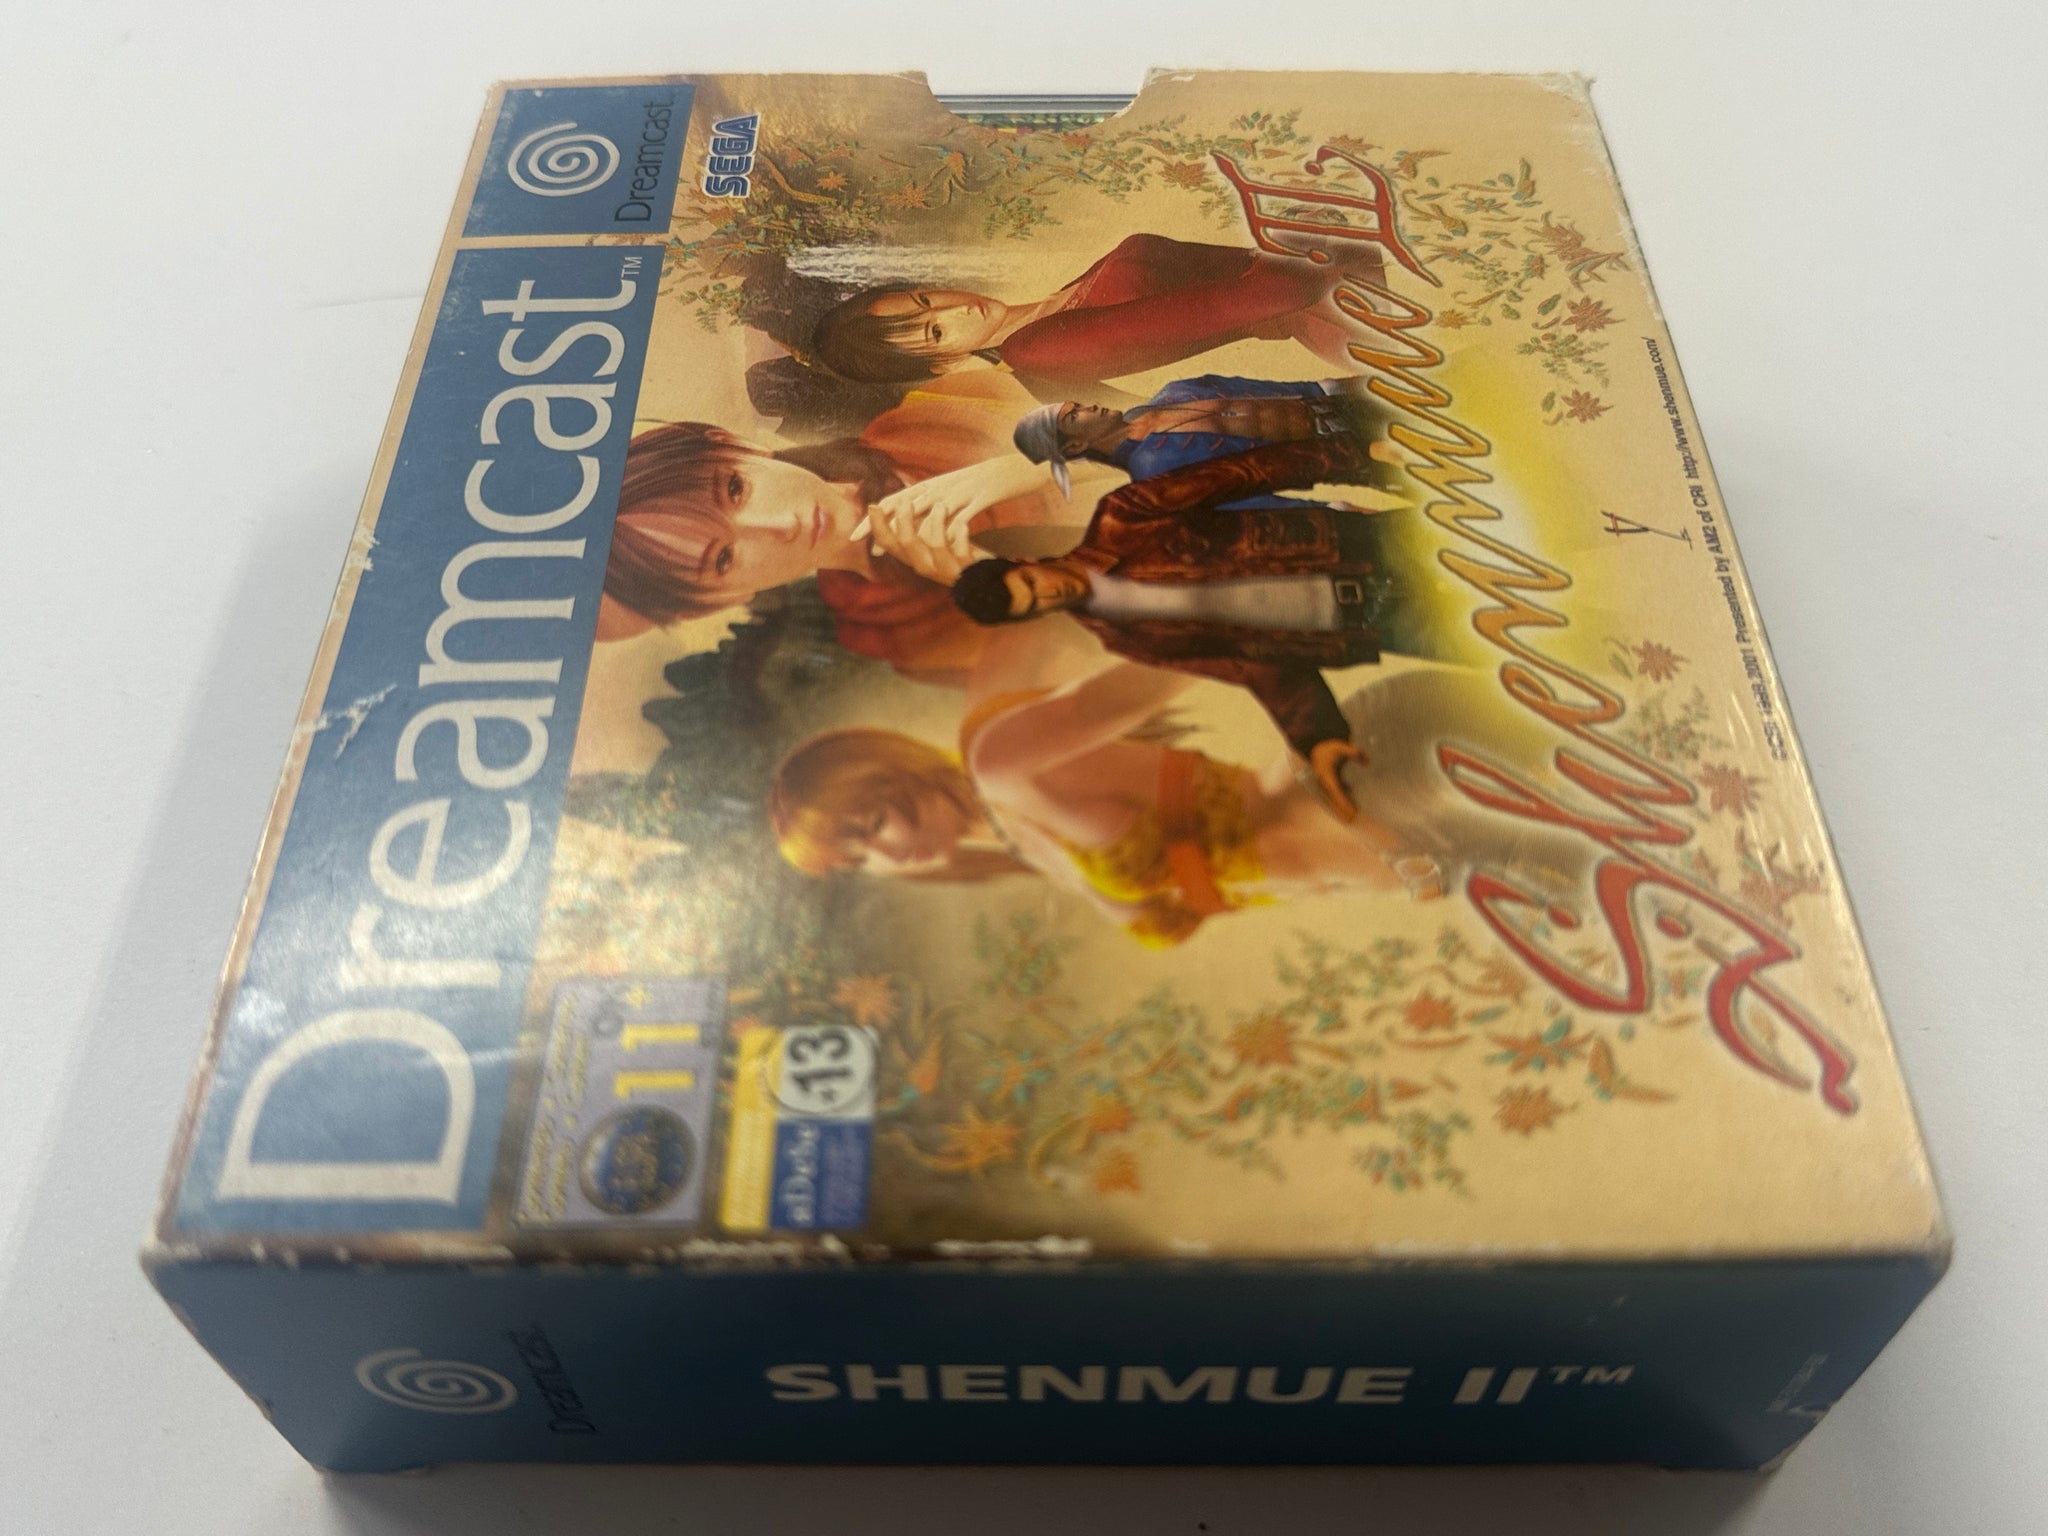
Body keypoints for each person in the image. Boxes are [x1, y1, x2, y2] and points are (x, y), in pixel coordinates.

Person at [768, 652, 1430, 949]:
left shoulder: (1001, 762)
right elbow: (1173, 915)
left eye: (871, 822)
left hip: (1349, 817)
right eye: (858, 859)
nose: (887, 856)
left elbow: (1174, 658)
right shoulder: (1019, 843)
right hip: (1362, 867)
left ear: (892, 772)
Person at [947, 433, 1451, 817]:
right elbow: (1255, 664)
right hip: (1373, 623)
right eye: (1033, 606)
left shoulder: (1124, 518)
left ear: (1024, 561)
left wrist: (1357, 455)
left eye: (1031, 583)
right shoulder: (1127, 638)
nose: (1048, 594)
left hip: (1373, 546)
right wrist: (1318, 736)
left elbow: (1243, 473)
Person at [598, 372, 1118, 685]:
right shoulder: (891, 633)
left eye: (736, 489)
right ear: (717, 602)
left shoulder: (926, 415)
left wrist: (1015, 472)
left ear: (736, 444)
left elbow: (1152, 427)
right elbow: (1117, 669)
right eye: (722, 559)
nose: (780, 525)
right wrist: (985, 581)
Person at [811, 234, 1384, 402]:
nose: (957, 307)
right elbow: (1274, 292)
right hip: (1351, 304)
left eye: (923, 300)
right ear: (944, 364)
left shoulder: (1049, 310)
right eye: (935, 331)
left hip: (1340, 277)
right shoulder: (1036, 350)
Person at [1012, 373, 1404, 509]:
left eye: (1078, 403)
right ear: (1074, 447)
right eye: (1075, 416)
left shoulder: (1175, 391)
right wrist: (1340, 511)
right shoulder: (1156, 471)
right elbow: (1254, 503)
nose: (1090, 406)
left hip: (1352, 407)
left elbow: (1296, 388)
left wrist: (1357, 386)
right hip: (1351, 456)